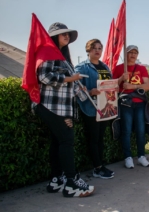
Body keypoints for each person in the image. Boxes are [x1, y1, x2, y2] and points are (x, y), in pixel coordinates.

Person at [34, 22, 94, 197]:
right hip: (51, 106)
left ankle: (57, 180)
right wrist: (70, 79)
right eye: (63, 34)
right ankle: (71, 183)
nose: (67, 37)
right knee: (67, 141)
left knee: (58, 142)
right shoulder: (47, 51)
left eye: (68, 34)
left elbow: (73, 85)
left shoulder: (63, 57)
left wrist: (88, 93)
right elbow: (44, 77)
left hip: (59, 107)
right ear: (54, 36)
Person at [75, 39, 114, 179]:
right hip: (91, 108)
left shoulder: (105, 67)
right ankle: (97, 168)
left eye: (99, 48)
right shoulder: (81, 67)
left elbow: (111, 84)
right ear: (88, 50)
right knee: (94, 139)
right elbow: (75, 87)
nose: (97, 50)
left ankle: (101, 165)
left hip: (105, 108)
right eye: (94, 48)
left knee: (100, 139)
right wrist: (90, 92)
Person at [112, 45, 149, 169]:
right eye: (130, 52)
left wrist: (132, 87)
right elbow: (112, 87)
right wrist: (121, 79)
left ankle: (141, 156)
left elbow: (147, 86)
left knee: (140, 130)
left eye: (135, 52)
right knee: (126, 130)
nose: (133, 55)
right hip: (125, 103)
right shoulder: (118, 68)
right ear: (126, 54)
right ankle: (128, 157)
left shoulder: (141, 68)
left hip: (139, 103)